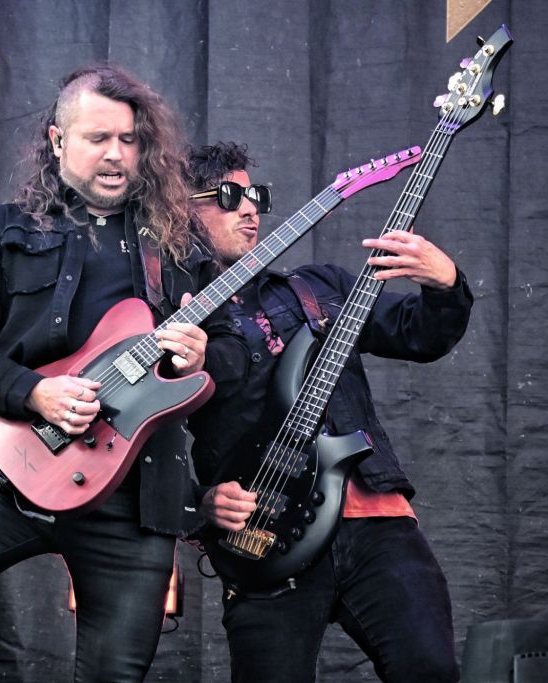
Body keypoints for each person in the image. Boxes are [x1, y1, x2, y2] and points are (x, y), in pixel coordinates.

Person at [0, 66, 247, 682]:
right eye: (98, 138)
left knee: (112, 673)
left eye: (129, 139)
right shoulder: (1, 230)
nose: (116, 154)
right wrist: (35, 392)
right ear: (58, 140)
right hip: (18, 462)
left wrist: (204, 358)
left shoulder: (180, 246)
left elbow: (232, 350)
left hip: (135, 496)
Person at [187, 142, 474, 682]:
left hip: (375, 521)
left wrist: (445, 284)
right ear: (180, 208)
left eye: (256, 196)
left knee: (430, 670)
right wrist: (200, 500)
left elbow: (419, 334)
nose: (249, 209)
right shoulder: (172, 316)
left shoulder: (319, 288)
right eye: (228, 196)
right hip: (264, 532)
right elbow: (136, 444)